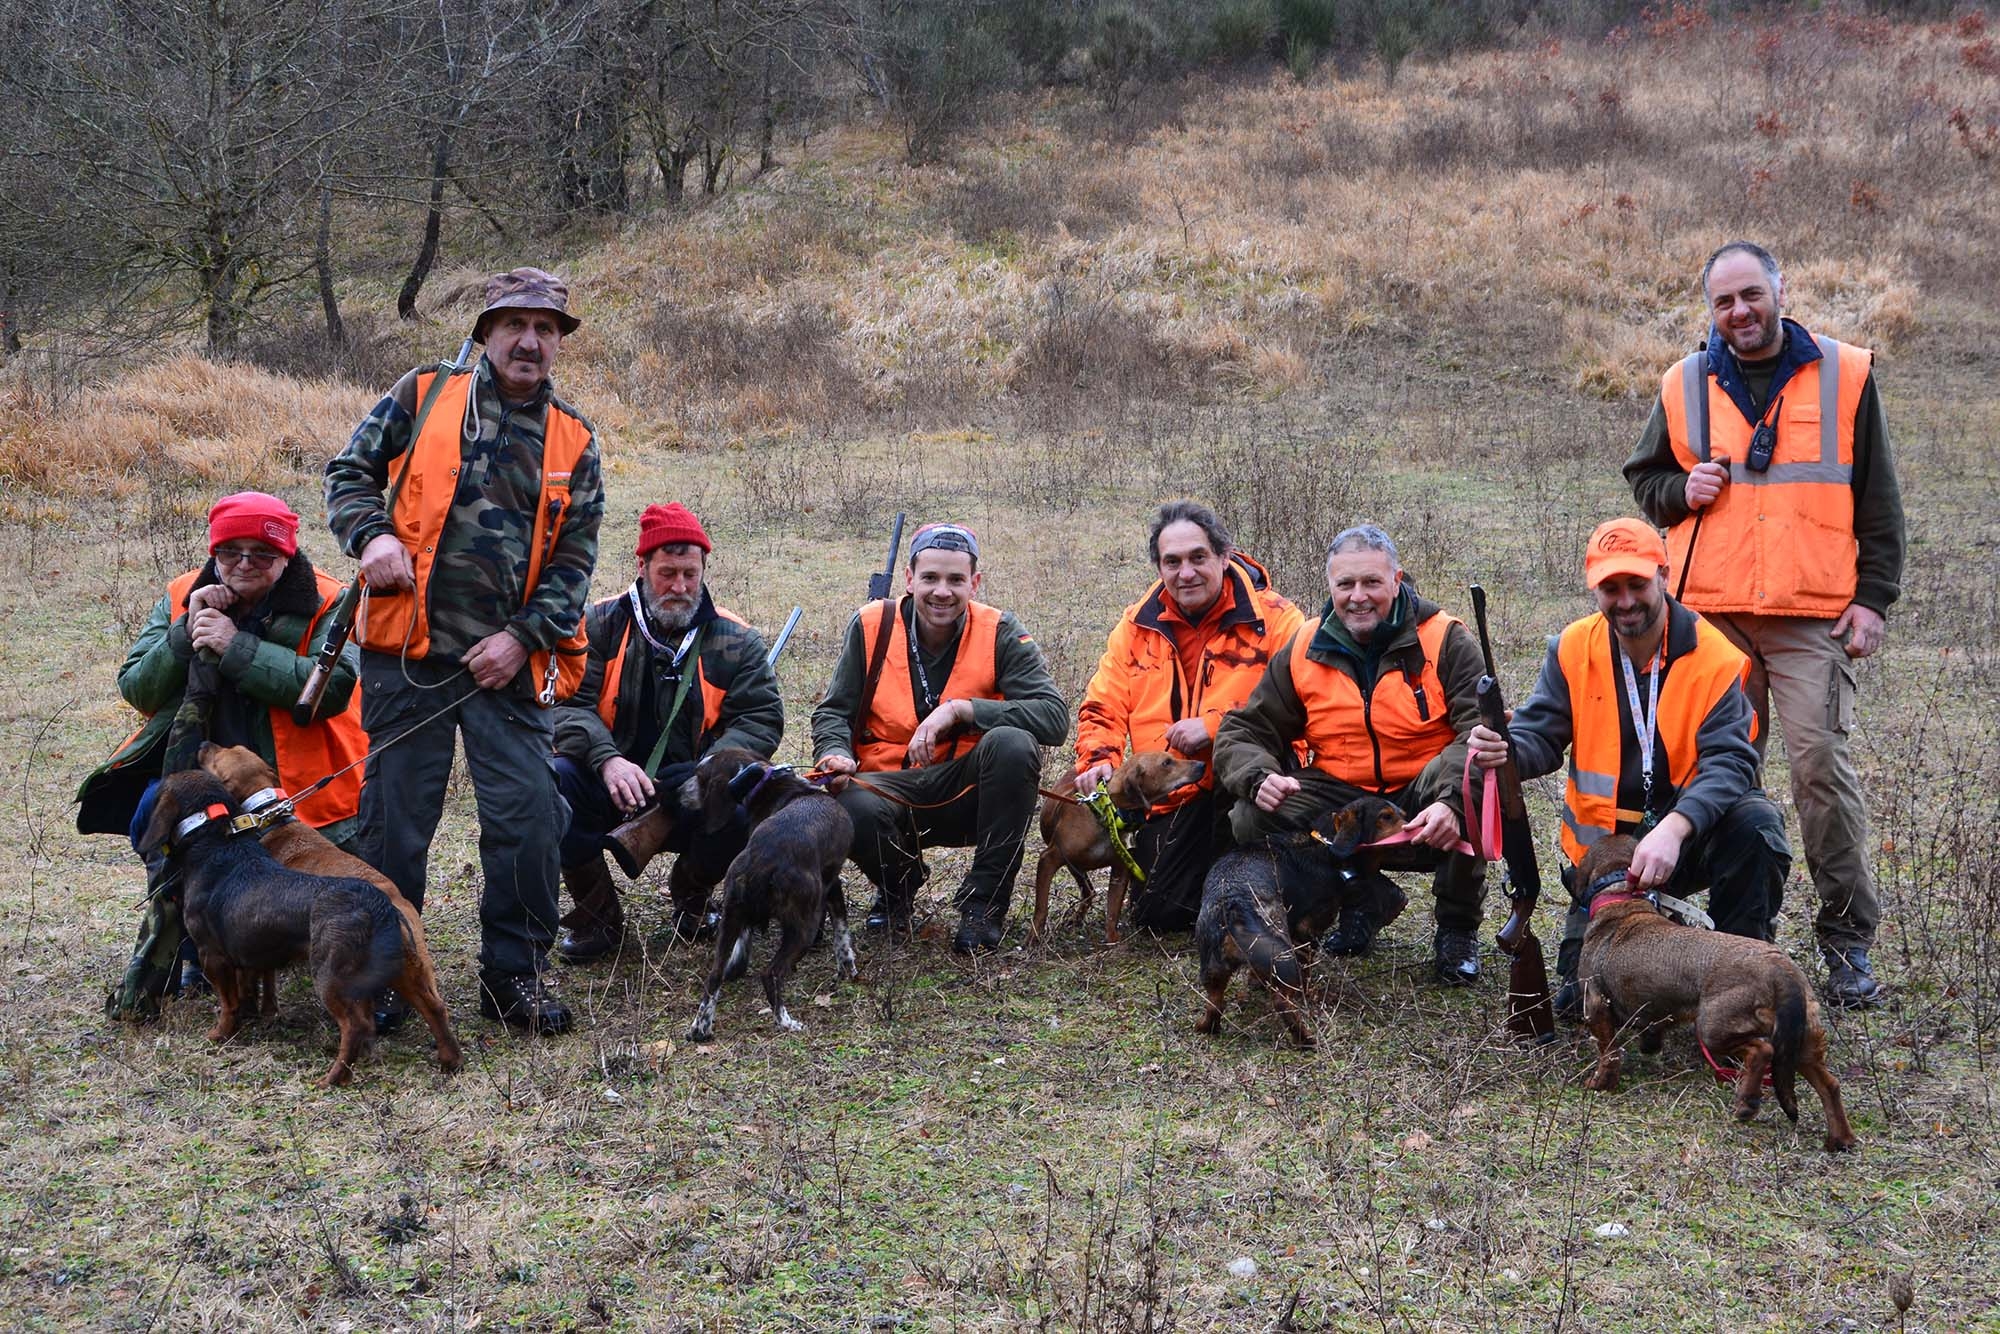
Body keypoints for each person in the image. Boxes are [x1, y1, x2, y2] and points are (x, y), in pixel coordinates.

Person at [1624, 240, 1904, 1007]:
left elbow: (1879, 497)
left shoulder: (1845, 374)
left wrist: (1873, 598)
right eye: (1724, 302)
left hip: (1811, 614)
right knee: (1717, 771)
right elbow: (1646, 483)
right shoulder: (1684, 381)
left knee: (1820, 772)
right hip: (1710, 617)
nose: (1740, 312)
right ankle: (1731, 939)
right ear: (1709, 308)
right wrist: (1685, 489)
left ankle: (1846, 948)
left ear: (1780, 291)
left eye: (1751, 295)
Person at [323, 266, 602, 1034]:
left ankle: (514, 978)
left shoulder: (575, 440)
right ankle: (379, 978)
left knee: (529, 820)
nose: (530, 340)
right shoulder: (423, 395)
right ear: (485, 331)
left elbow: (574, 566)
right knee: (392, 826)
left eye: (546, 329)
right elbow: (347, 474)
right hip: (406, 657)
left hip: (506, 672)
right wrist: (371, 534)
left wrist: (520, 641)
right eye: (515, 324)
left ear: (557, 344)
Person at [1468, 517, 1791, 1018]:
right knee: (1582, 1007)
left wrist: (1677, 828)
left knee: (1756, 826)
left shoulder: (1716, 659)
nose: (1625, 601)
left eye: (1636, 584)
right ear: (1594, 588)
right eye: (1610, 588)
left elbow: (1732, 760)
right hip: (1606, 860)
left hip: (1688, 841)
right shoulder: (1572, 648)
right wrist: (1505, 750)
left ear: (1663, 574)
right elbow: (1540, 735)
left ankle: (1741, 977)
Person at [79, 491, 367, 1017]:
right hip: (199, 769)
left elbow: (336, 686)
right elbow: (136, 688)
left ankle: (292, 955)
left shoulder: (330, 600)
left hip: (304, 781)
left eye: (262, 553)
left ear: (288, 555)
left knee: (300, 879)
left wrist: (237, 646)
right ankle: (196, 950)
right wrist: (183, 634)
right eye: (231, 552)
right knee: (164, 827)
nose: (243, 565)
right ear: (214, 552)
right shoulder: (182, 593)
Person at [1213, 524, 1488, 982]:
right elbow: (1244, 728)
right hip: (1339, 793)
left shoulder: (1445, 638)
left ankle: (1457, 928)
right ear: (1331, 588)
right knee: (1250, 815)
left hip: (1422, 789)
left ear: (1397, 581)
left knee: (1473, 782)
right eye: (1346, 584)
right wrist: (1258, 776)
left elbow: (1481, 730)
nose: (1358, 597)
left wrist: (1451, 803)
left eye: (1372, 583)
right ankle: (1356, 896)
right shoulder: (1304, 644)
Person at [810, 522, 1069, 954]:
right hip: (886, 787)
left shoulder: (999, 630)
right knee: (850, 807)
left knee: (1013, 744)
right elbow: (834, 710)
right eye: (929, 578)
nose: (941, 591)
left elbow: (1054, 718)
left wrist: (964, 710)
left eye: (955, 579)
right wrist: (835, 753)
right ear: (909, 579)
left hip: (966, 791)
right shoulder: (871, 625)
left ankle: (982, 907)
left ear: (976, 583)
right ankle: (899, 886)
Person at [550, 503, 782, 959]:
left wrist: (708, 771)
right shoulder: (596, 625)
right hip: (609, 782)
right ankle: (597, 920)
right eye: (667, 573)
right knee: (553, 783)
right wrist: (607, 760)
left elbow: (760, 719)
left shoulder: (737, 639)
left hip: (697, 790)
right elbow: (564, 705)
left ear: (704, 569)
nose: (680, 587)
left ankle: (691, 900)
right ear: (641, 566)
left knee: (744, 796)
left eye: (690, 574)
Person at [1072, 501, 1304, 932]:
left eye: (1199, 557)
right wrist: (1098, 759)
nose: (1186, 573)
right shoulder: (1136, 625)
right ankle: (1221, 885)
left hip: (1251, 781)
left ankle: (1271, 884)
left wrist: (1214, 727)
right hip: (1175, 789)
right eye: (1172, 562)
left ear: (1224, 555)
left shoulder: (1277, 621)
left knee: (1264, 846)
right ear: (1159, 567)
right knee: (1160, 914)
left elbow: (1307, 707)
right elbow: (1103, 703)